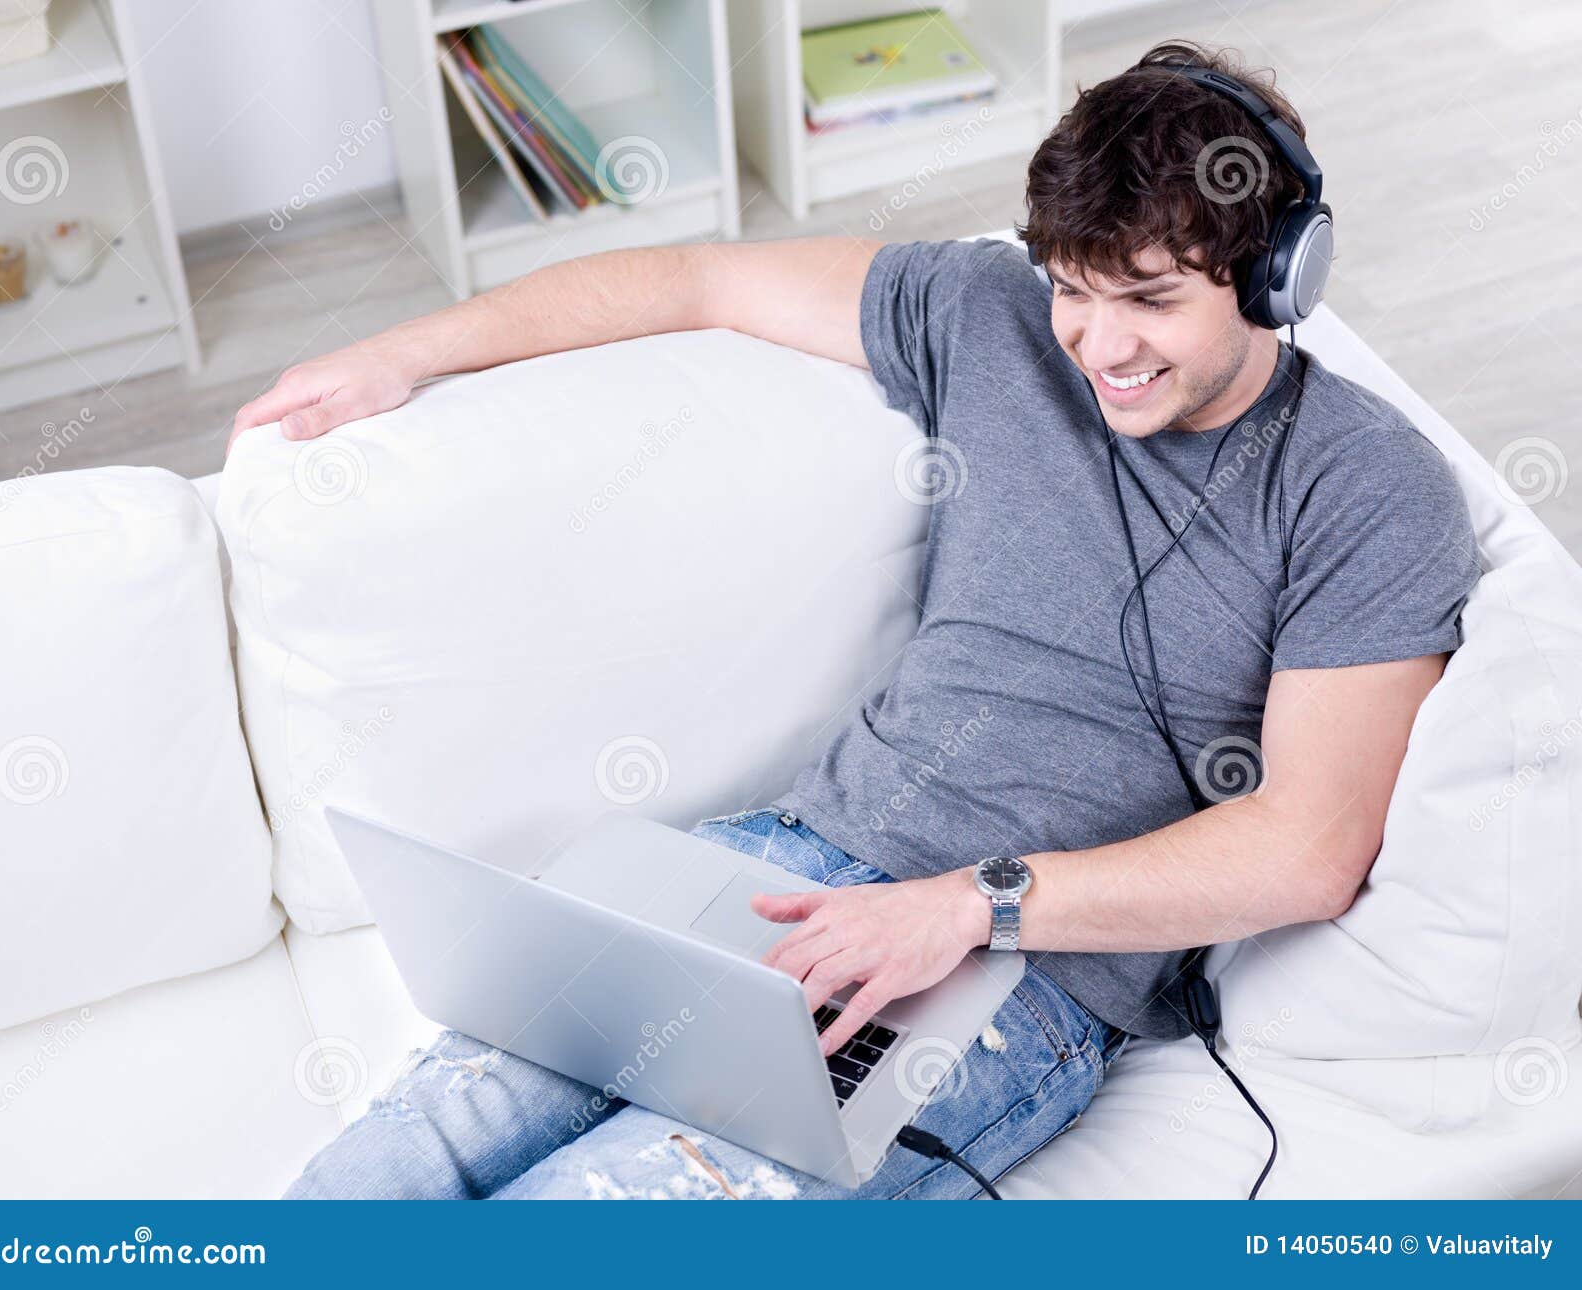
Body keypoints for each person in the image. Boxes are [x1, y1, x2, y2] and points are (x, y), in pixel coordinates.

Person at [247, 41, 1478, 1200]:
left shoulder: (1365, 487)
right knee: (406, 1153)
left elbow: (1306, 848)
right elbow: (696, 276)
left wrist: (973, 903)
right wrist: (406, 353)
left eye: (1148, 300)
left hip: (1017, 978)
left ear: (1275, 275)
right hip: (781, 866)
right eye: (1073, 290)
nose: (1099, 346)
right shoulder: (986, 315)